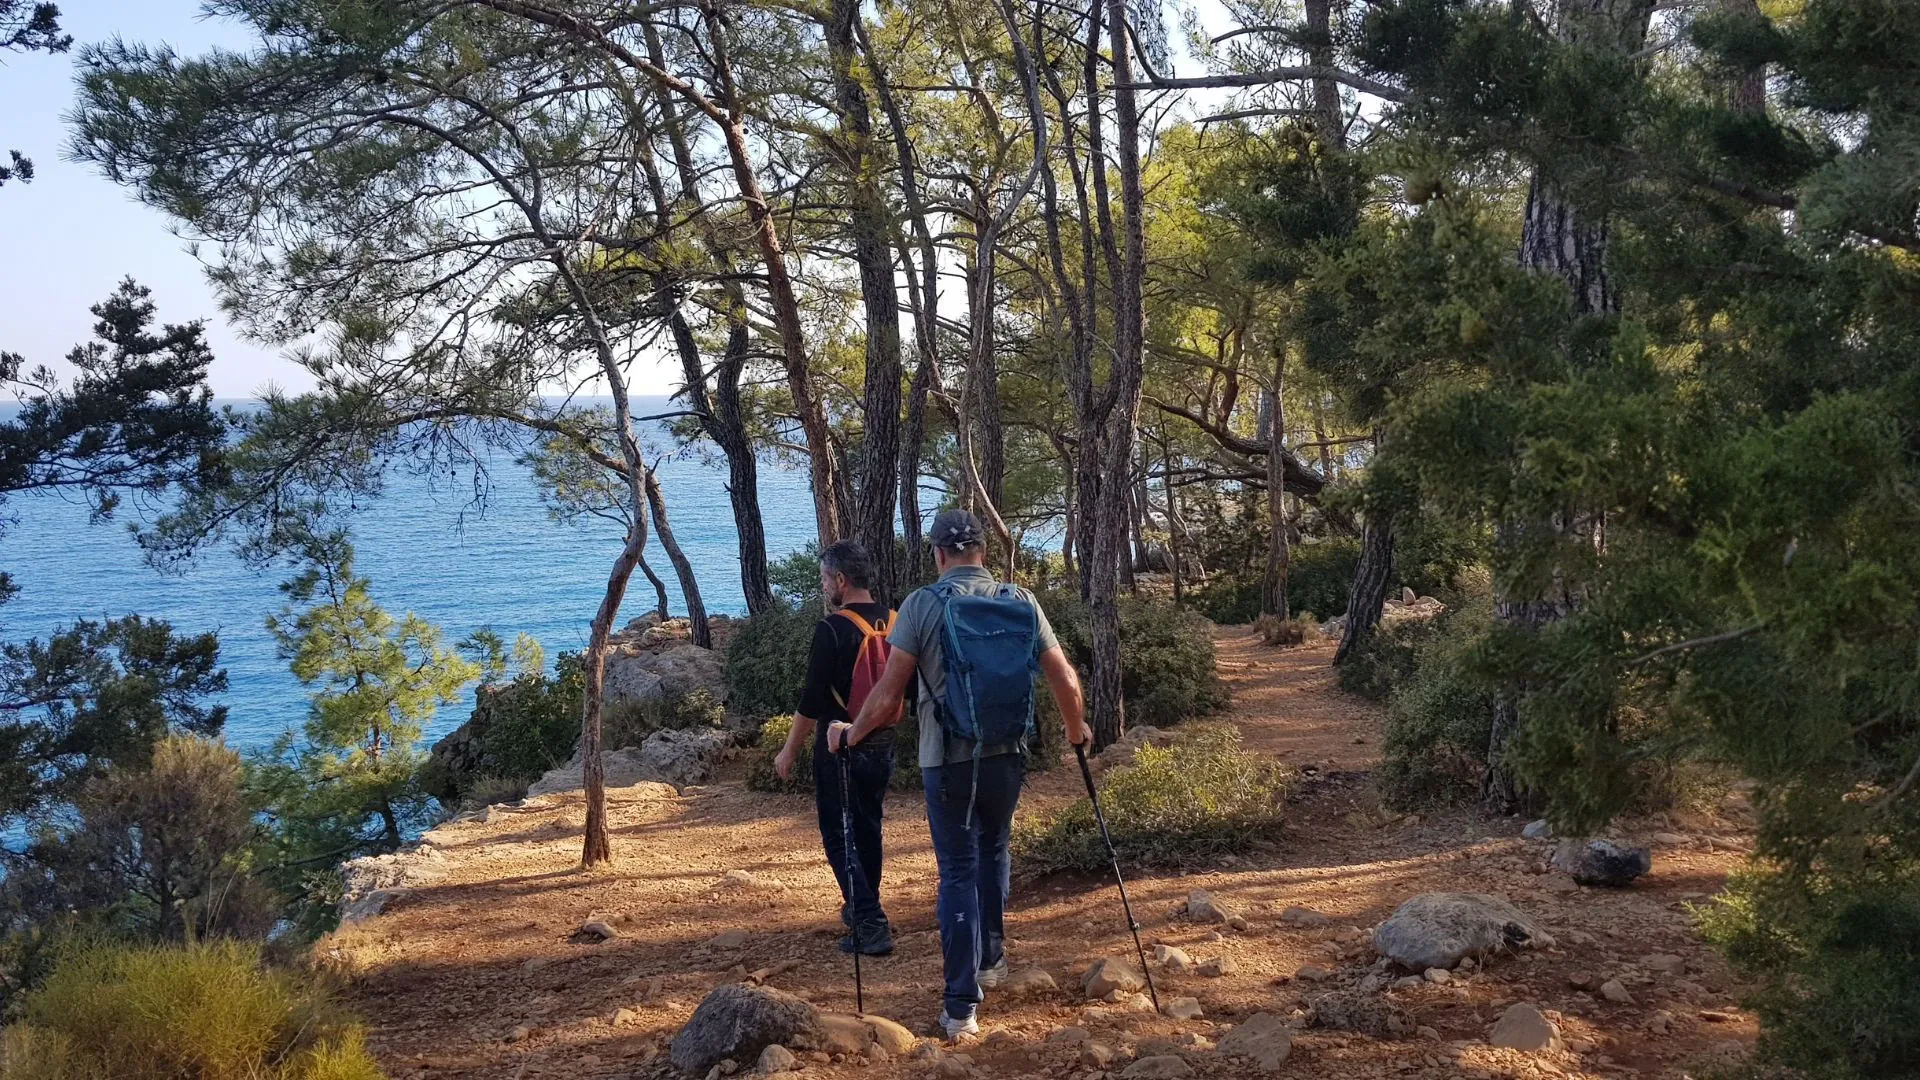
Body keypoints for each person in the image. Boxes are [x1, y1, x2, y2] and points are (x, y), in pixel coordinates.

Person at [830, 508, 1091, 1039]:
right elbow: (1062, 675)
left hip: (947, 760)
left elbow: (887, 694)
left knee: (956, 870)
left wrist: (850, 734)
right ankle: (991, 961)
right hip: (1007, 753)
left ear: (938, 554)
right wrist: (1075, 729)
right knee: (995, 849)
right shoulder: (1021, 600)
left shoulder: (924, 605)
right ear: (983, 553)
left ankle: (960, 1007)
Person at [774, 540, 900, 956]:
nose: (825, 586)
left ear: (841, 581)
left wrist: (789, 750)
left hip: (838, 743)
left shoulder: (832, 628)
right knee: (868, 827)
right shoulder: (896, 621)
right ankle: (862, 906)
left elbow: (811, 700)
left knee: (837, 833)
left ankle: (870, 921)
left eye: (825, 578)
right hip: (883, 741)